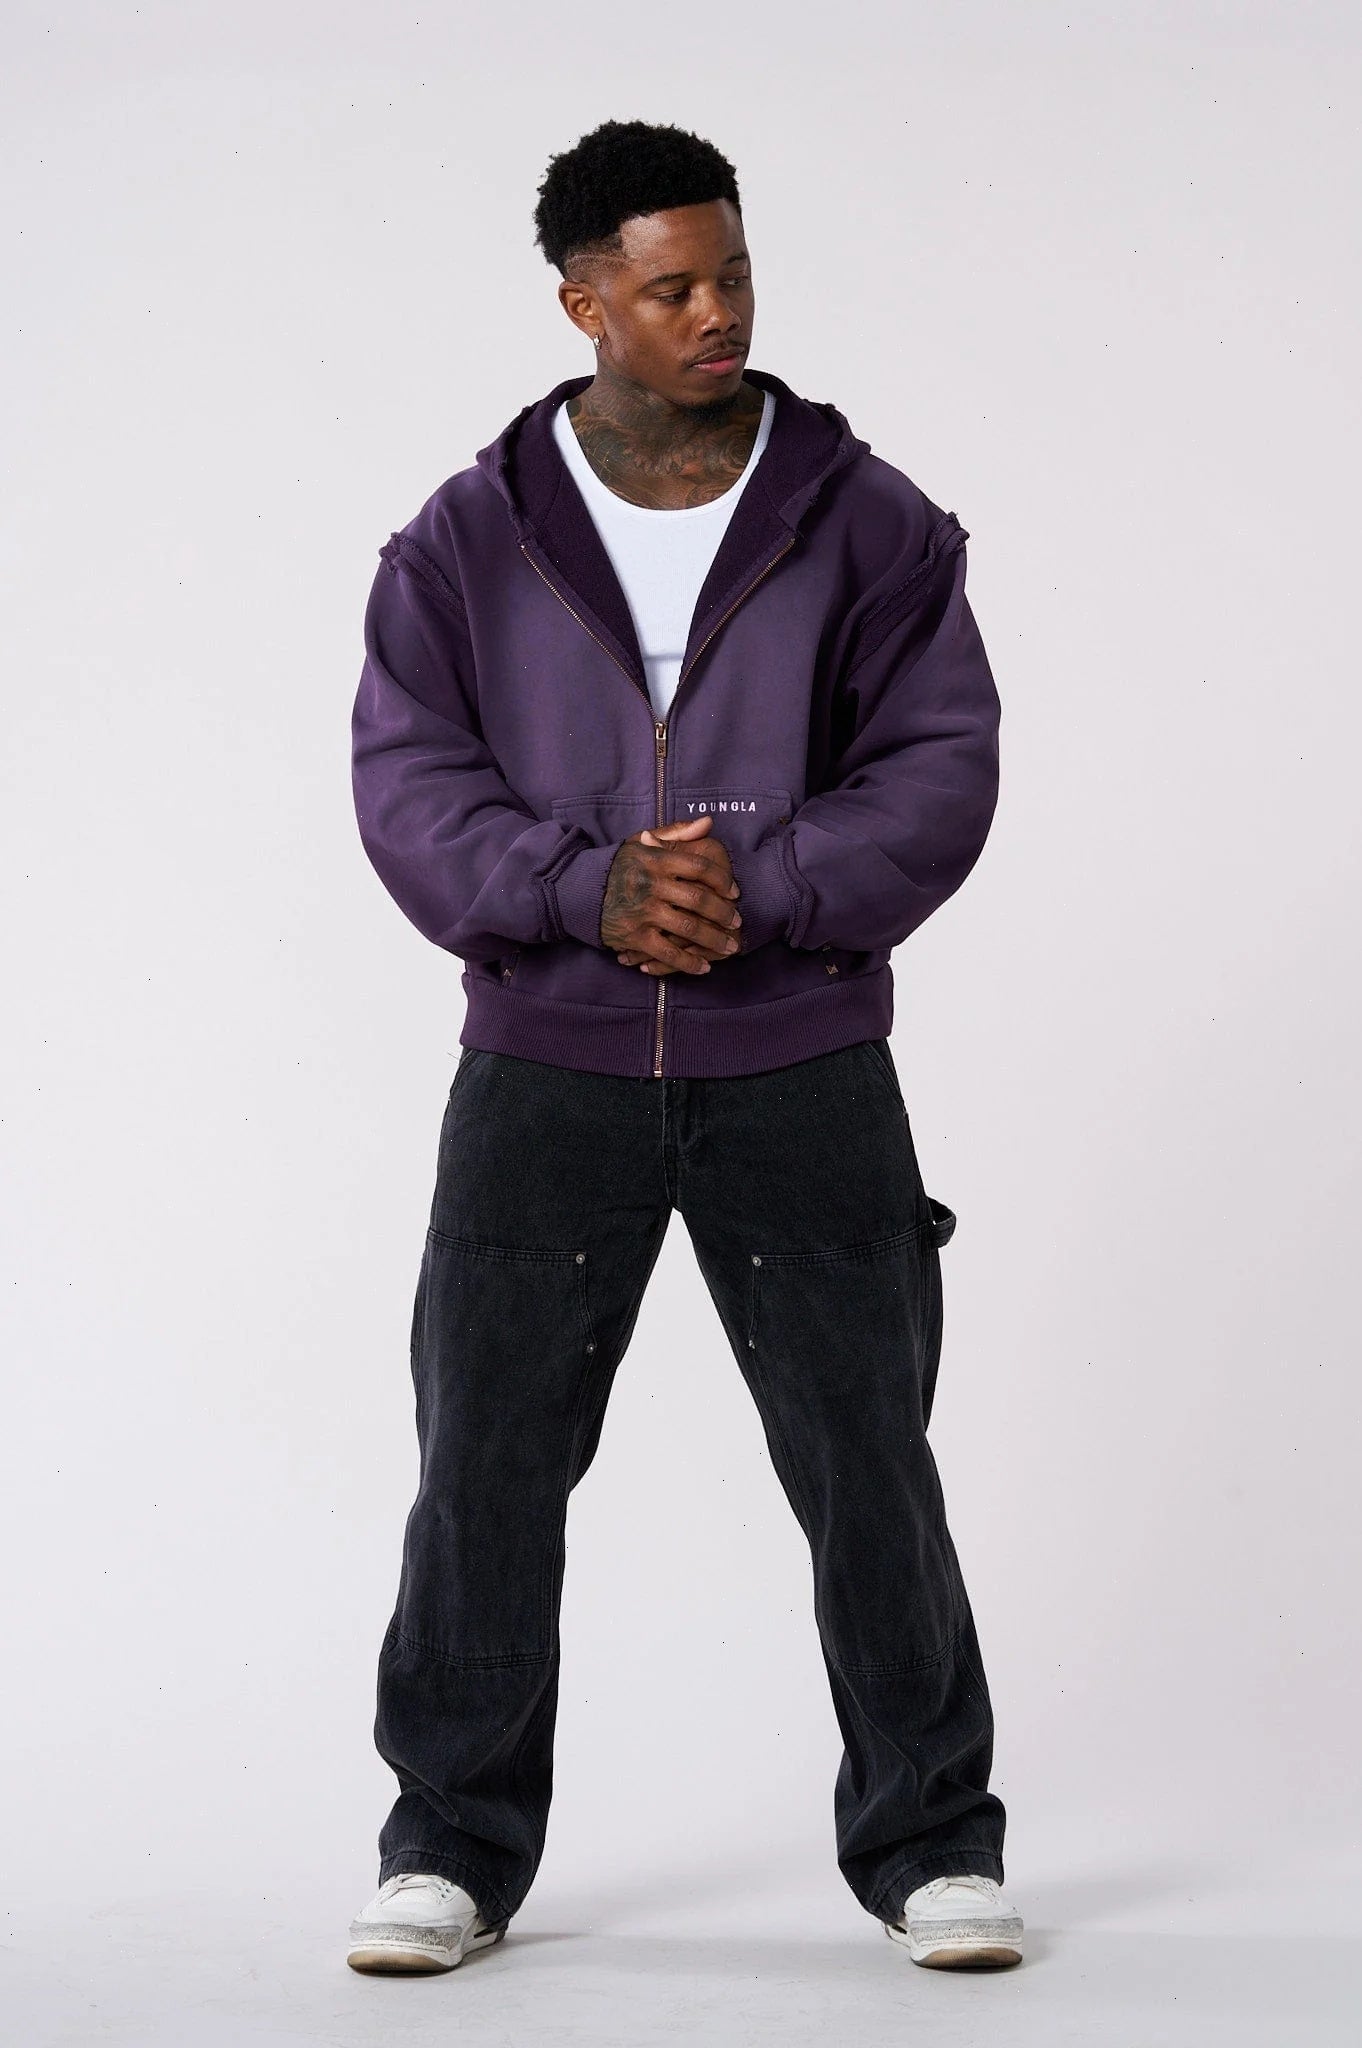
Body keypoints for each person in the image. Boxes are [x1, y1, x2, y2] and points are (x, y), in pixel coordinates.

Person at [344, 117, 1023, 1977]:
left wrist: (764, 883)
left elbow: (939, 760)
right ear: (584, 303)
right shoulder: (470, 535)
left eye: (732, 274)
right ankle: (449, 1846)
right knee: (484, 1462)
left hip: (799, 1059)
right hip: (543, 1067)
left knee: (865, 1458)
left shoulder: (864, 517)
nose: (716, 311)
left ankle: (931, 1845)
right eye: (670, 288)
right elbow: (407, 775)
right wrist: (585, 892)